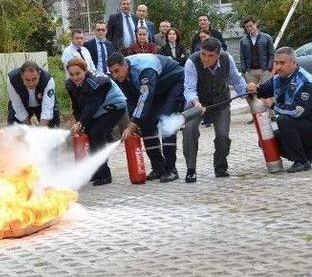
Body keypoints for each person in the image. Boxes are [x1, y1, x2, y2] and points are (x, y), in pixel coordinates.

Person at [247, 47, 312, 173]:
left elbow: (298, 112)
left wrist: (273, 105)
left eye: (282, 63)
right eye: (276, 63)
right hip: (298, 124)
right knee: (266, 141)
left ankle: (301, 161)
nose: (278, 67)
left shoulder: (305, 82)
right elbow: (263, 90)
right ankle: (308, 153)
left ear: (294, 63)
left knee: (284, 121)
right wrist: (252, 88)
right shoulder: (278, 78)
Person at [107, 52, 184, 182]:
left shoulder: (145, 69)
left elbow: (145, 97)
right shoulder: (121, 76)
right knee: (146, 123)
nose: (114, 75)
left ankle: (171, 169)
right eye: (112, 72)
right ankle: (158, 167)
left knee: (166, 122)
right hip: (156, 88)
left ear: (125, 65)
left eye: (116, 71)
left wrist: (134, 122)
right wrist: (134, 121)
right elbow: (131, 100)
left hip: (173, 83)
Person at [182, 37, 248, 181]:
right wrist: (195, 102)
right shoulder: (191, 62)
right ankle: (191, 169)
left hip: (221, 102)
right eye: (203, 54)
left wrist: (247, 94)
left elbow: (236, 79)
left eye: (211, 56)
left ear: (218, 55)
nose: (206, 59)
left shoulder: (227, 59)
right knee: (189, 130)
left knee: (223, 136)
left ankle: (220, 167)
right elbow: (189, 88)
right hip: (198, 103)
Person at [65, 58, 127, 186]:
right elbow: (77, 106)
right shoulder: (70, 84)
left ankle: (105, 175)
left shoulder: (97, 83)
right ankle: (96, 172)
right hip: (98, 109)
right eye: (71, 74)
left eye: (78, 74)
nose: (75, 77)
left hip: (114, 107)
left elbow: (91, 107)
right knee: (88, 132)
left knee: (96, 133)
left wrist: (81, 123)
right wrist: (79, 123)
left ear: (85, 71)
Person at [239, 17, 274, 123]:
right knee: (253, 94)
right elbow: (242, 57)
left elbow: (271, 54)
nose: (249, 28)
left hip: (264, 70)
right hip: (250, 71)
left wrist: (268, 68)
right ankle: (256, 114)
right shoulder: (243, 40)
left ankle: (272, 114)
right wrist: (244, 71)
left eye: (251, 25)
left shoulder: (267, 38)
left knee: (267, 91)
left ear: (256, 24)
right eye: (247, 27)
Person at [7, 61, 60, 127]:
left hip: (41, 105)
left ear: (39, 74)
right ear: (21, 75)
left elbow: (47, 108)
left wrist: (42, 129)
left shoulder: (48, 80)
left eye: (34, 79)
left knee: (53, 119)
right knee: (14, 128)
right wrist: (28, 128)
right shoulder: (12, 80)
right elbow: (17, 106)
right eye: (27, 80)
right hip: (23, 105)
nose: (31, 84)